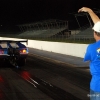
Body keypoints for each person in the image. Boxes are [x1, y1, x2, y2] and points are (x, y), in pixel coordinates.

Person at [78, 7, 100, 100]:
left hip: (97, 85)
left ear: (94, 33)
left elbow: (86, 58)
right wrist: (90, 11)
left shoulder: (91, 48)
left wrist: (90, 11)